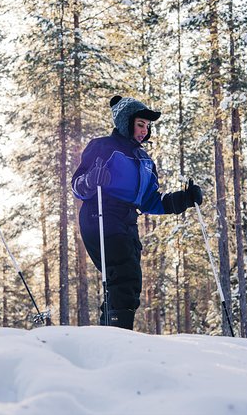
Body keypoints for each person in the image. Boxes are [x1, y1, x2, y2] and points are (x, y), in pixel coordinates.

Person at [71, 95, 203, 330]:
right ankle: (116, 337)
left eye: (148, 126)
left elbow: (151, 200)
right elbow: (77, 185)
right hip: (100, 214)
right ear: (125, 122)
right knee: (125, 276)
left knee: (128, 283)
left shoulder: (144, 160)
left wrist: (185, 199)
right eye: (140, 124)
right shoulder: (103, 147)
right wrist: (91, 180)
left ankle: (110, 331)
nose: (145, 130)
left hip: (127, 221)